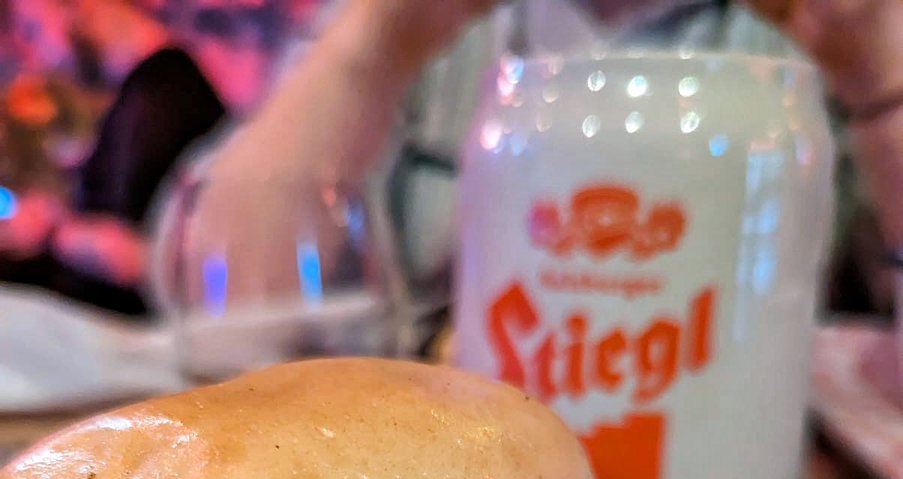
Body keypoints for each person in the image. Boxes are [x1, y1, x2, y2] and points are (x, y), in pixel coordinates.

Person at [162, 0, 903, 315]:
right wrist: (371, 47)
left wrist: (881, 81)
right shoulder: (423, 32)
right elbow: (215, 292)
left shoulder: (811, 41)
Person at [0, 0, 226, 314]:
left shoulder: (160, 97)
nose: (32, 59)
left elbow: (150, 260)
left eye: (32, 32)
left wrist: (51, 232)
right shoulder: (143, 94)